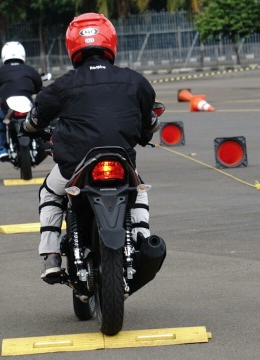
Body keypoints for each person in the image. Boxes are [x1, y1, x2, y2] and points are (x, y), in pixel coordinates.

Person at [23, 13, 160, 283]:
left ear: (72, 45)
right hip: (121, 162)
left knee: (50, 192)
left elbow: (36, 118)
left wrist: (28, 127)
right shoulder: (135, 81)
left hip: (76, 164)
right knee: (139, 192)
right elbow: (150, 121)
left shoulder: (62, 85)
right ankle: (142, 237)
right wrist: (144, 133)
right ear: (110, 41)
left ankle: (50, 255)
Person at [0, 41, 43, 160]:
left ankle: (2, 149)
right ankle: (44, 140)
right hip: (28, 105)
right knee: (41, 116)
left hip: (7, 108)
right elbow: (39, 85)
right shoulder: (29, 70)